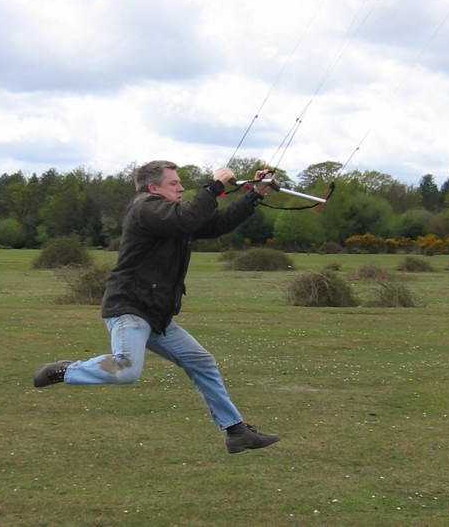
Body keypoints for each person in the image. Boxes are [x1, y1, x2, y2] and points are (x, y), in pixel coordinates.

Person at [34, 160, 279, 454]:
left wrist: (255, 194)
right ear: (153, 188)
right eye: (174, 184)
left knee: (202, 362)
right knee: (126, 370)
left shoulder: (171, 217)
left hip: (157, 316)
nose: (181, 188)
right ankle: (65, 370)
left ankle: (236, 432)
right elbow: (188, 219)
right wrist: (214, 186)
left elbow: (216, 224)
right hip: (130, 310)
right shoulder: (145, 207)